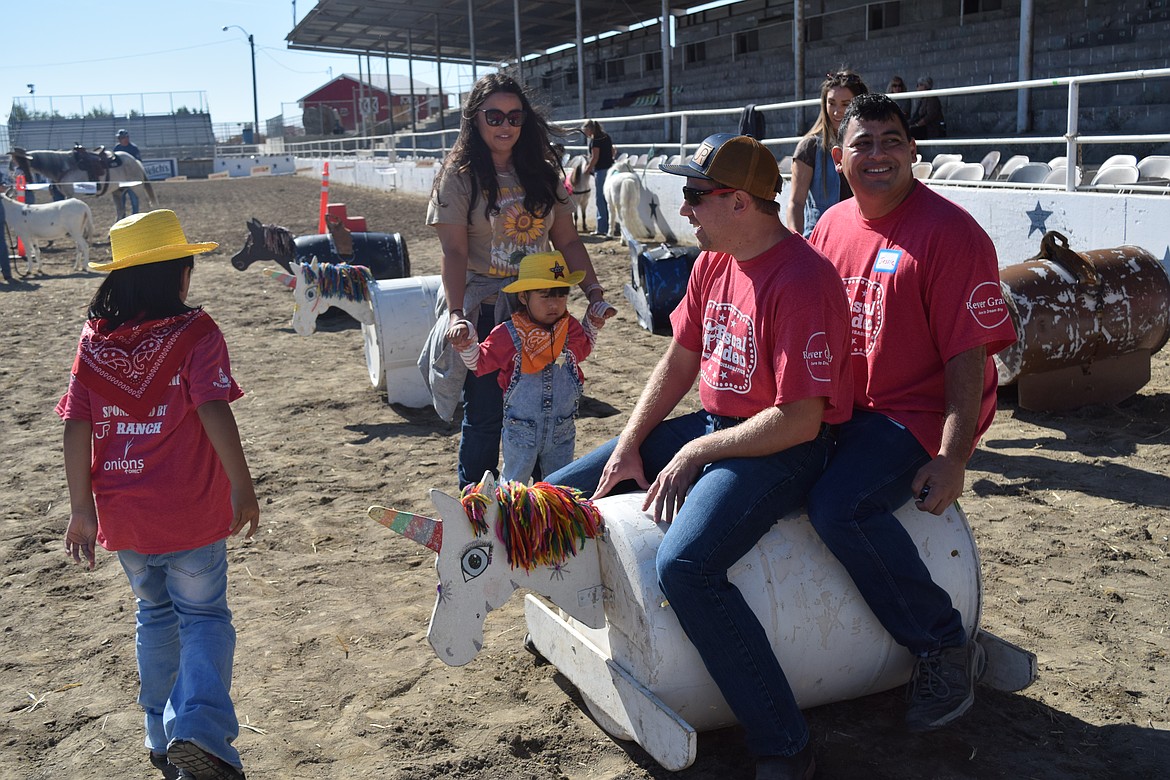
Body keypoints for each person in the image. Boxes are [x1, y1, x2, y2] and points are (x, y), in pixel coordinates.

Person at [546, 133, 853, 780]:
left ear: (739, 202)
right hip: (722, 426)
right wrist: (629, 446)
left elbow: (801, 420)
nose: (683, 209)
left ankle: (786, 745)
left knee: (685, 567)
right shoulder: (715, 259)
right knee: (563, 491)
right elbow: (679, 358)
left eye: (694, 195)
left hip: (784, 448)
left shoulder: (801, 280)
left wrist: (693, 451)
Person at [808, 93, 1017, 733]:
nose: (878, 155)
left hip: (913, 419)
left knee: (838, 507)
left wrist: (953, 457)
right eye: (863, 143)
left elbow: (969, 359)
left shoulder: (952, 235)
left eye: (891, 141)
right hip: (847, 409)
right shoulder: (832, 225)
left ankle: (943, 644)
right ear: (838, 157)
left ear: (913, 151)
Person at [57, 209, 259, 780]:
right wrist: (242, 486)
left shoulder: (94, 342)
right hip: (190, 511)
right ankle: (197, 728)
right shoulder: (197, 333)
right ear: (180, 273)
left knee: (154, 615)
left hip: (126, 519)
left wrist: (81, 509)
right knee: (204, 618)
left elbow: (76, 424)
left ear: (117, 280)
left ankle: (159, 732)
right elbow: (212, 407)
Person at [421, 72, 615, 490]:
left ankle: (544, 504)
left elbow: (567, 239)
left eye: (514, 116)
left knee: (547, 409)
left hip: (541, 307)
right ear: (475, 119)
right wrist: (457, 315)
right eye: (494, 116)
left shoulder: (542, 173)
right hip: (487, 309)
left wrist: (594, 293)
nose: (505, 125)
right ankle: (476, 509)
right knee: (488, 412)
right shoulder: (458, 176)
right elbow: (453, 252)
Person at [451, 251, 597, 483]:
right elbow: (479, 363)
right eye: (545, 296)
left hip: (562, 431)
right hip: (521, 433)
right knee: (513, 486)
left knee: (559, 486)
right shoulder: (508, 334)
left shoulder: (570, 328)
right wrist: (467, 339)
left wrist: (592, 322)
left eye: (560, 295)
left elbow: (584, 349)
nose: (554, 304)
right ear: (523, 297)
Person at [785, 70, 868, 238]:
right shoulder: (810, 147)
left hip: (862, 237)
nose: (837, 111)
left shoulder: (869, 144)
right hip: (821, 240)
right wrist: (797, 243)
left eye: (846, 104)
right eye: (832, 103)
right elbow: (796, 202)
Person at [580, 119, 615, 236]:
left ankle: (602, 227)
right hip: (610, 169)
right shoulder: (606, 136)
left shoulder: (595, 140)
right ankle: (610, 225)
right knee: (609, 199)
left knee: (600, 198)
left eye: (586, 131)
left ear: (590, 129)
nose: (586, 134)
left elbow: (595, 157)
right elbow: (613, 151)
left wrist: (587, 169)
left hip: (601, 170)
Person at [115, 129, 143, 215]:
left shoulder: (133, 148)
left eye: (122, 138)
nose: (121, 139)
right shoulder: (117, 148)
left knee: (134, 200)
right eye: (120, 138)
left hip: (132, 178)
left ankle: (135, 216)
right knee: (120, 200)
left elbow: (138, 162)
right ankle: (122, 216)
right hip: (121, 179)